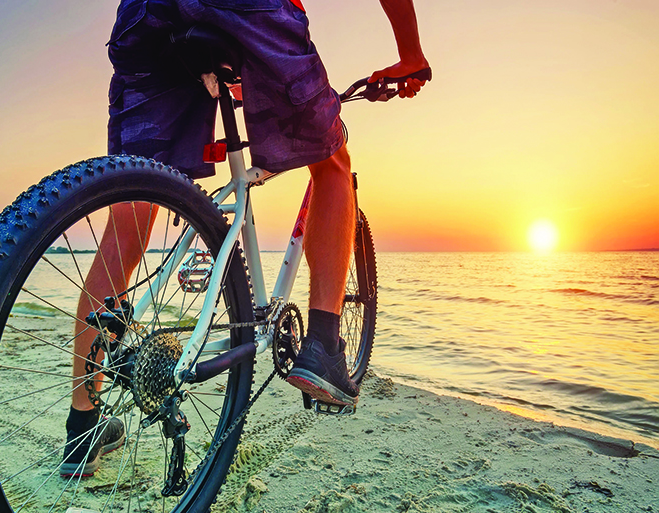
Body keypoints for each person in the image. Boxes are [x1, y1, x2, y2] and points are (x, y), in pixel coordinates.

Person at [61, 0, 430, 477]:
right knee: (332, 160)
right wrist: (410, 55)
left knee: (136, 198)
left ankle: (81, 429)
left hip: (144, 16)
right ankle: (322, 346)